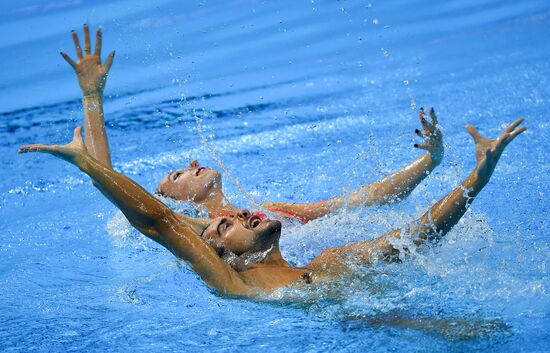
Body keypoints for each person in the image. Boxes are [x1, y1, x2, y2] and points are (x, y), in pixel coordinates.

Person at [18, 117, 526, 297]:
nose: (235, 217)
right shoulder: (228, 275)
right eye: (174, 174)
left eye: (232, 216)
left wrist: (471, 174)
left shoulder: (321, 257)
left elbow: (413, 233)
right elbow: (148, 216)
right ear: (218, 248)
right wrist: (88, 152)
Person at [61, 25, 445, 222]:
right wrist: (92, 98)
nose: (192, 165)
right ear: (181, 202)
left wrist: (430, 161)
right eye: (178, 175)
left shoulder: (271, 213)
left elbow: (362, 201)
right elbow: (107, 181)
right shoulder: (196, 231)